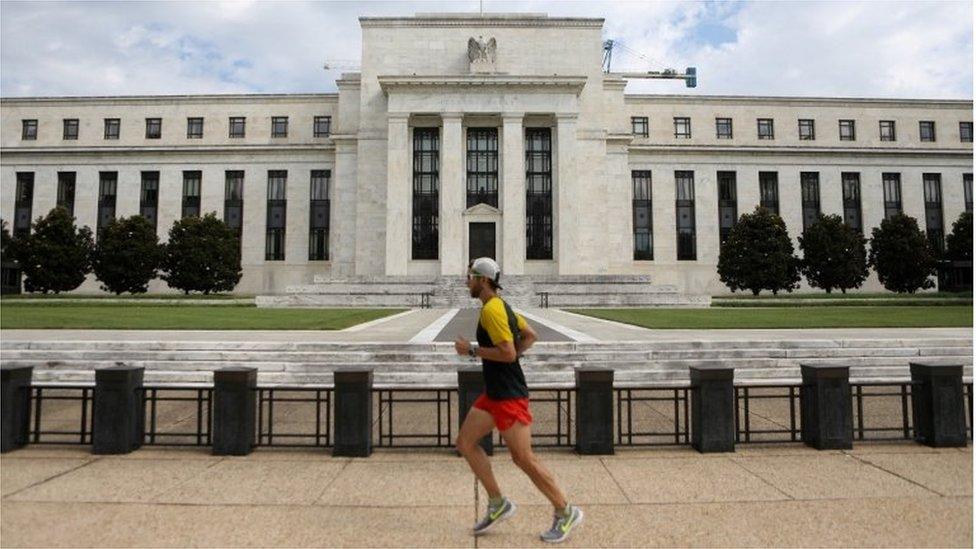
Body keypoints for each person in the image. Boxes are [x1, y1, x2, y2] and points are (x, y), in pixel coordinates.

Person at [454, 257, 583, 543]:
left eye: (470, 277)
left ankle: (565, 510)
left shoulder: (492, 311)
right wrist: (506, 361)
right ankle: (498, 502)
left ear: (483, 280)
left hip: (509, 395)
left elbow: (509, 352)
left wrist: (473, 351)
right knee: (465, 443)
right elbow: (530, 335)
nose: (467, 282)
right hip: (495, 393)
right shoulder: (501, 306)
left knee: (523, 458)